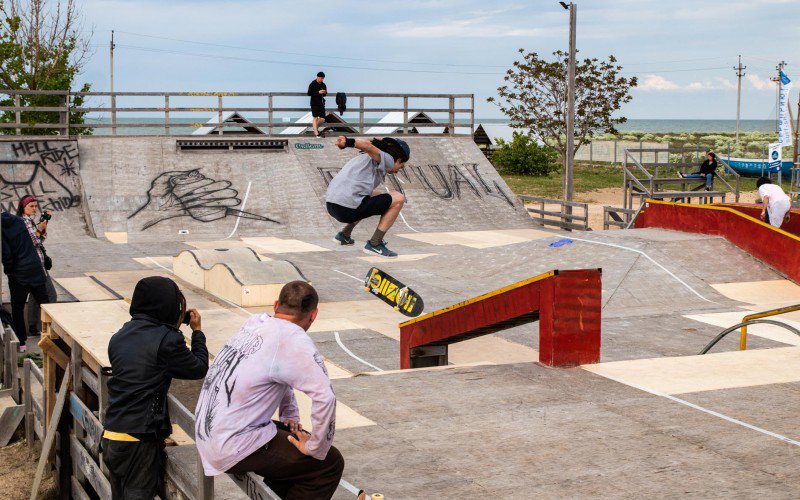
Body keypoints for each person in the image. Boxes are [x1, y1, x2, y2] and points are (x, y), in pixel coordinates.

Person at [195, 281, 344, 500]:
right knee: (329, 463)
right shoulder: (293, 339)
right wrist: (315, 447)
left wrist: (289, 415)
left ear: (276, 305)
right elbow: (326, 398)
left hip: (208, 433)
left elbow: (278, 372)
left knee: (293, 436)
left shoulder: (254, 323)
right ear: (313, 315)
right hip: (230, 444)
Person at [102, 276, 209, 499]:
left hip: (112, 434)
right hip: (138, 440)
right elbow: (198, 368)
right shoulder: (167, 340)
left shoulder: (119, 336)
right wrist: (197, 332)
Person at [325, 136, 411, 257]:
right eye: (401, 166)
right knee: (398, 198)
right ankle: (375, 244)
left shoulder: (364, 158)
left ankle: (344, 235)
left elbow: (370, 147)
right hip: (346, 209)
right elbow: (368, 146)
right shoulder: (388, 160)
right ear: (399, 159)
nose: (397, 171)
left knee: (376, 194)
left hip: (331, 205)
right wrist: (347, 142)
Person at [1, 211, 51, 352]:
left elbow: (6, 253)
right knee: (45, 305)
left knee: (17, 308)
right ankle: (52, 337)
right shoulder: (18, 220)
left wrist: (8, 270)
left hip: (19, 275)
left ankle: (21, 343)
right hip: (35, 268)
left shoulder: (2, 229)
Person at [16, 196, 57, 338]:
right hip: (35, 265)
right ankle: (50, 328)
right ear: (23, 207)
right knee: (51, 295)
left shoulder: (30, 221)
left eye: (35, 206)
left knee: (34, 296)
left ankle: (33, 328)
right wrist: (39, 229)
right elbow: (33, 242)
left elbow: (41, 239)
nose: (34, 209)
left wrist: (43, 225)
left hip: (36, 263)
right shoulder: (23, 222)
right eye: (31, 206)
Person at [307, 72, 327, 138]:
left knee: (323, 119)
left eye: (323, 78)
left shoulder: (323, 84)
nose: (321, 79)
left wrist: (324, 92)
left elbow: (325, 94)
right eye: (321, 78)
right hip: (314, 103)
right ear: (317, 77)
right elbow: (309, 93)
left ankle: (315, 128)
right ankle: (316, 134)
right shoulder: (312, 84)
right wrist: (318, 92)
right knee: (315, 118)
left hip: (321, 103)